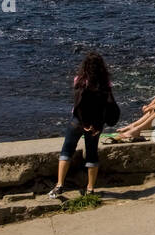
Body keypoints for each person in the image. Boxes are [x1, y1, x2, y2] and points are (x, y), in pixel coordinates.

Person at [48, 52, 116, 199]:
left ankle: (59, 185)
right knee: (92, 154)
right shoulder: (105, 84)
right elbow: (106, 105)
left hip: (78, 120)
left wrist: (84, 123)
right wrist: (95, 124)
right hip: (96, 123)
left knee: (67, 149)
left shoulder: (79, 80)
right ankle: (90, 188)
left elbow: (78, 104)